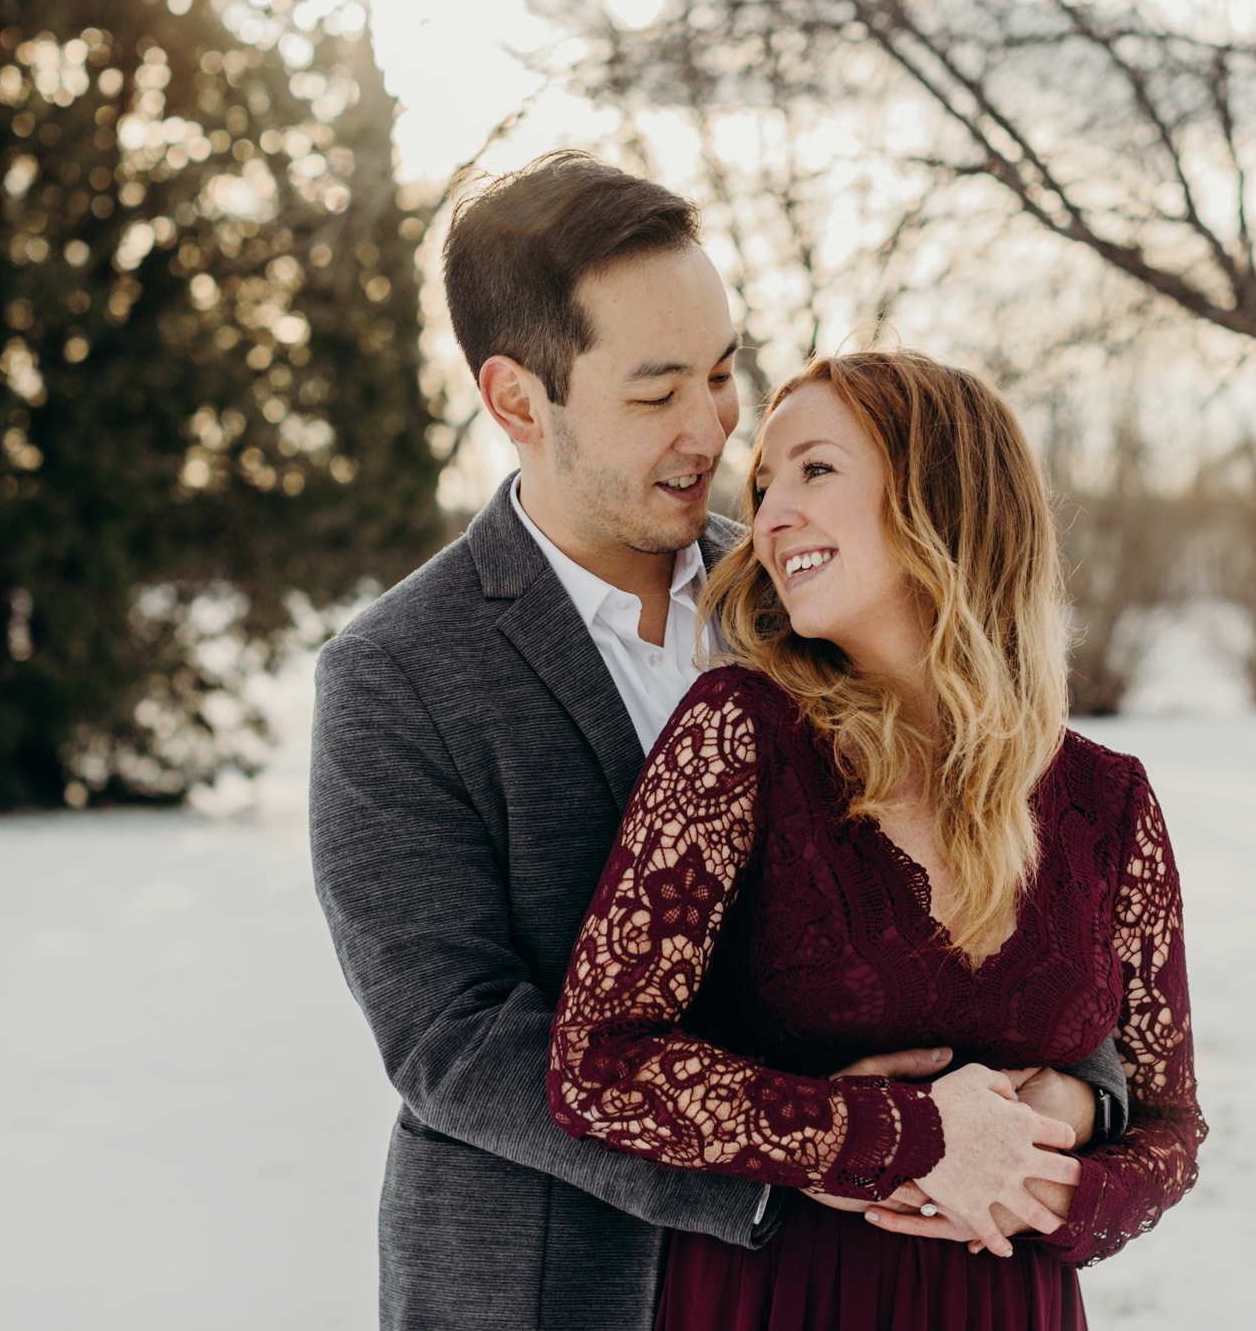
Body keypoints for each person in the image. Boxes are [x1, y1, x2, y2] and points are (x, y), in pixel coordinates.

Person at [309, 154, 1131, 1331]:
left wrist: (1065, 1096)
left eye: (723, 370)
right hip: (549, 1288)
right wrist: (820, 1142)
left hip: (859, 1283)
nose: (712, 428)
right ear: (517, 401)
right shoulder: (397, 675)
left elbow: (1028, 911)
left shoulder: (827, 590)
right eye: (656, 394)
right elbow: (455, 1037)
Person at [546, 348, 1205, 1329]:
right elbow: (598, 1065)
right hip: (785, 1295)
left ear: (940, 493)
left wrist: (1067, 1186)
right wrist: (895, 1132)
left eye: (814, 469)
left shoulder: (1106, 802)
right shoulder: (739, 737)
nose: (767, 518)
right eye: (763, 484)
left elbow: (1170, 1123)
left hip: (1006, 1296)